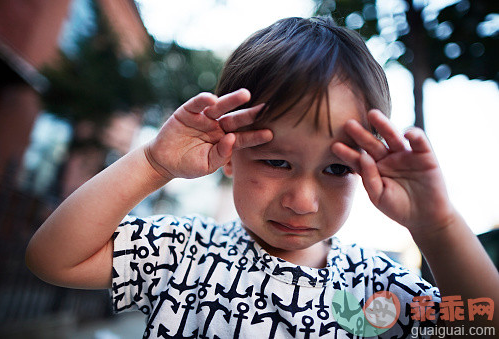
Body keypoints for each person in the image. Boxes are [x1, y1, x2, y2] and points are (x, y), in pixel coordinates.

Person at [26, 16, 498, 338]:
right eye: (276, 162)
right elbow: (54, 258)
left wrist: (437, 228)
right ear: (229, 154)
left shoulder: (370, 295)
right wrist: (152, 164)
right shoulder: (186, 258)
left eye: (336, 169)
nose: (303, 201)